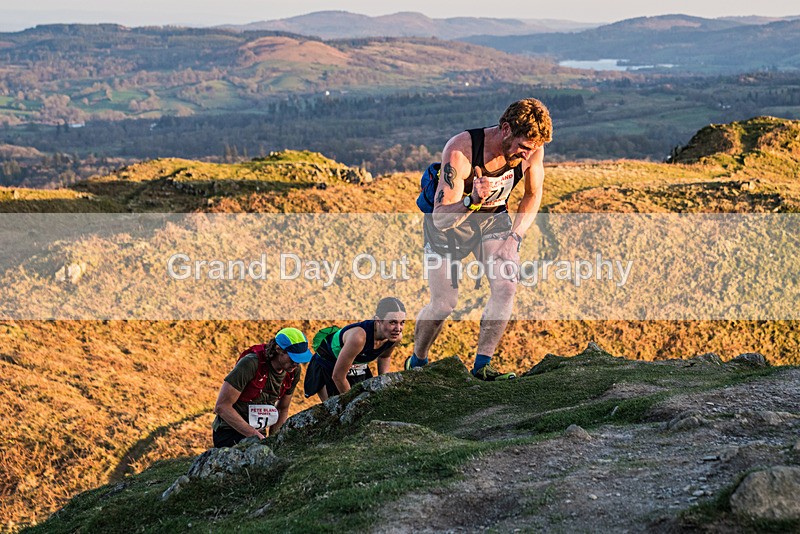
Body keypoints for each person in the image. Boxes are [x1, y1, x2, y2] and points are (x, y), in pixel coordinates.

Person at [407, 98, 552, 380]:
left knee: (506, 285)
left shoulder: (533, 149)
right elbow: (440, 217)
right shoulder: (461, 150)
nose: (527, 156)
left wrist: (514, 239)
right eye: (523, 147)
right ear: (506, 129)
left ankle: (482, 366)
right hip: (451, 222)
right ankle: (418, 361)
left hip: (493, 218)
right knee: (444, 304)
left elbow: (533, 195)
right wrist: (472, 199)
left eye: (532, 150)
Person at [212, 327, 313, 447]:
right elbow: (222, 406)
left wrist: (275, 441)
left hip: (259, 431)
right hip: (230, 431)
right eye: (293, 358)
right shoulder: (250, 364)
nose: (296, 363)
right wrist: (255, 436)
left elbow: (282, 408)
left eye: (300, 359)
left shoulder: (293, 371)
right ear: (278, 349)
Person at [304, 297, 406, 401]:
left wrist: (382, 383)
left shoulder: (395, 337)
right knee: (336, 411)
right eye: (393, 322)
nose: (398, 329)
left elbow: (384, 357)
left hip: (356, 366)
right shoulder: (358, 338)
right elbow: (338, 376)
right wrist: (353, 404)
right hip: (327, 365)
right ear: (378, 320)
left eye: (402, 322)